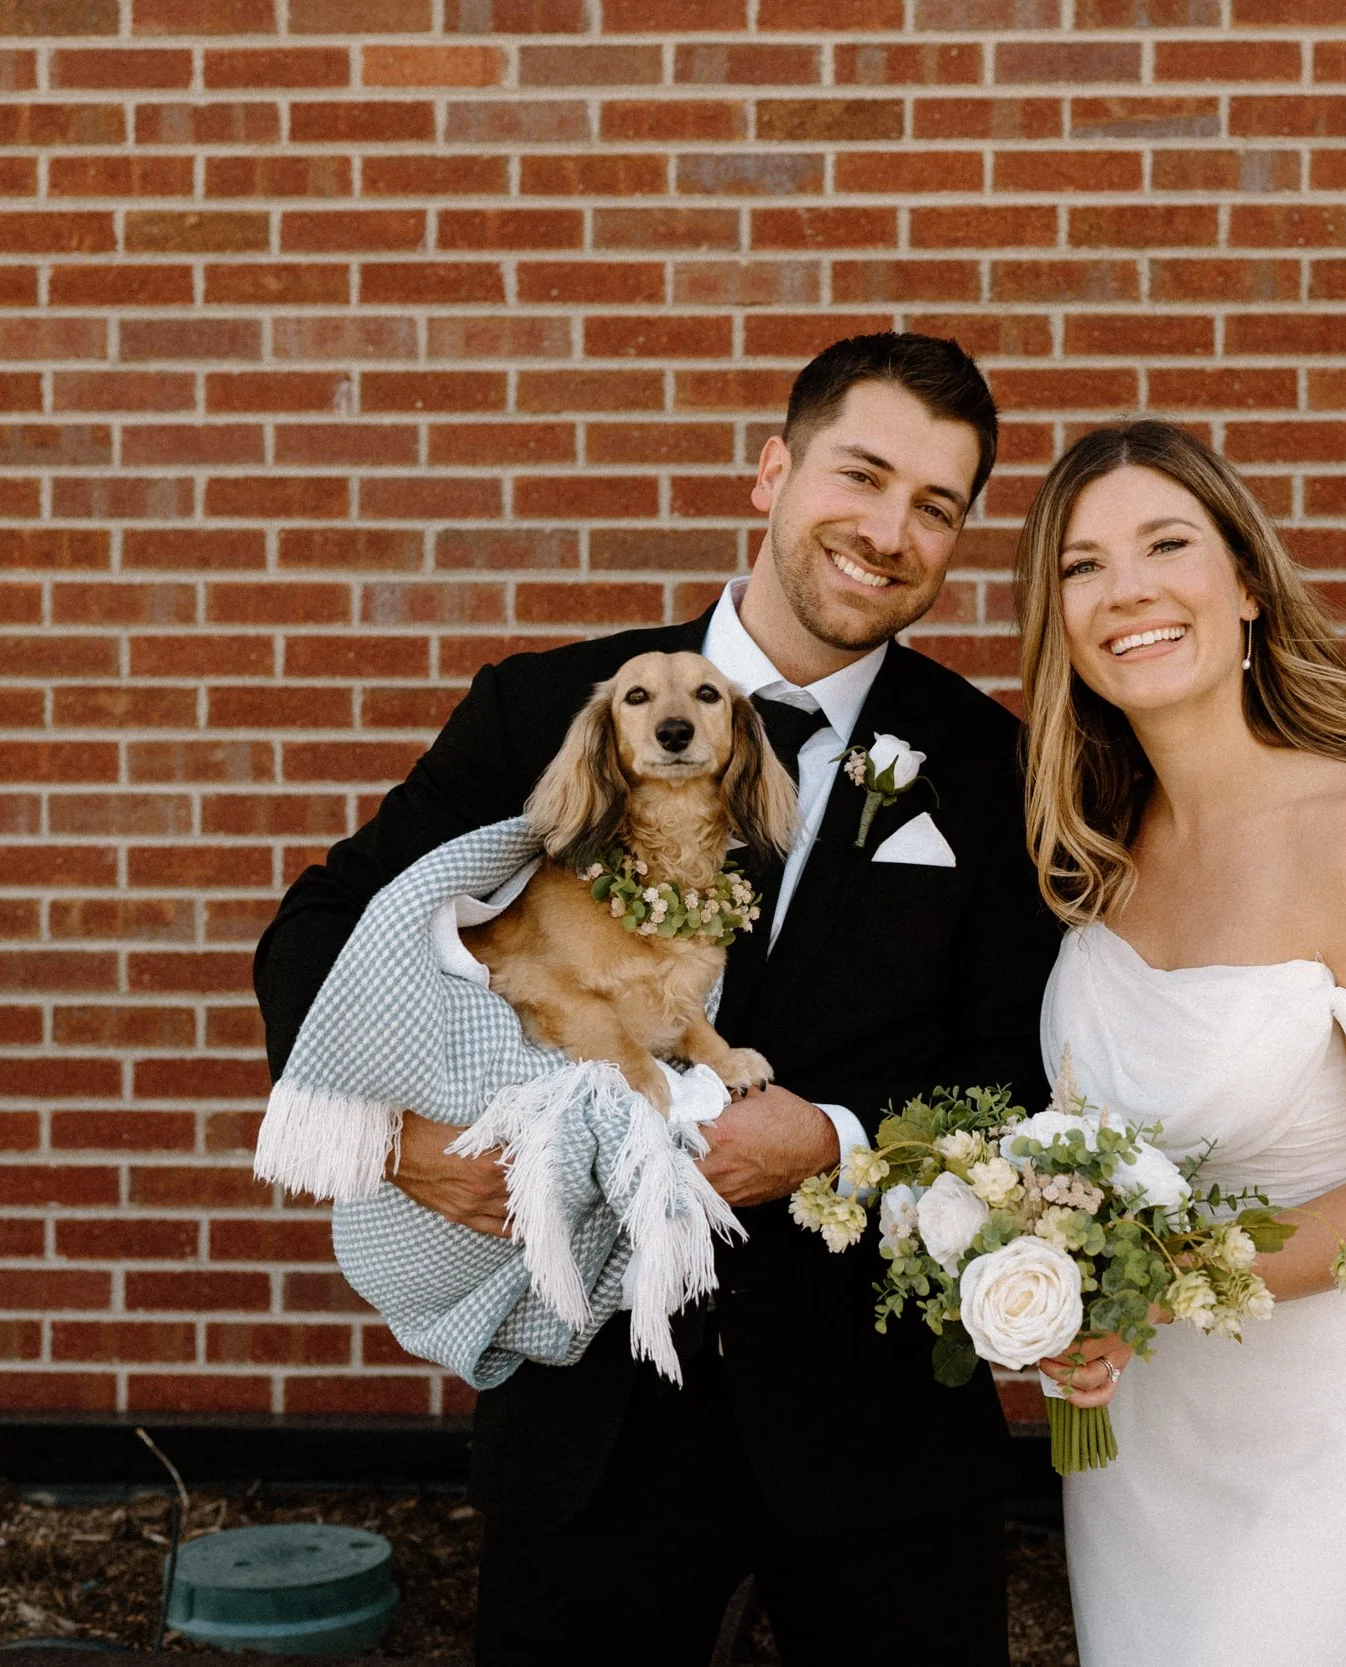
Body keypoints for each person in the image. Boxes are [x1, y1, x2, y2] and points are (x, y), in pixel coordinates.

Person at [251, 334, 1061, 1667]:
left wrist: (834, 1138)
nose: (890, 531)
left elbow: (1019, 1064)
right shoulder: (541, 709)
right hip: (592, 1424)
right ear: (771, 472)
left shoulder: (990, 768)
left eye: (938, 506)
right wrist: (406, 1149)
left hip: (881, 1439)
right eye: (861, 475)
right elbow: (315, 934)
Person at [1012, 420, 1346, 1664]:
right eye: (1081, 565)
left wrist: (1156, 1281)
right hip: (1132, 1433)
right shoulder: (1099, 851)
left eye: (1165, 543)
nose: (1125, 588)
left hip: (1310, 1433)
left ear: (1244, 584)